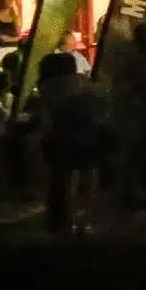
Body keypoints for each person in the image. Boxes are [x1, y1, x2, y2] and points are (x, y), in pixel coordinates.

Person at [34, 48, 109, 236]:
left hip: (62, 138)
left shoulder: (47, 88)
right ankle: (87, 221)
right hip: (89, 136)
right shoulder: (83, 83)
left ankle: (69, 220)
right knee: (90, 175)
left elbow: (45, 119)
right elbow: (102, 104)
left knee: (68, 178)